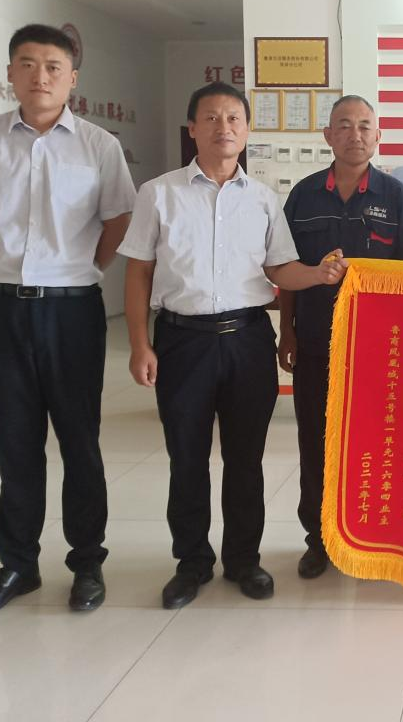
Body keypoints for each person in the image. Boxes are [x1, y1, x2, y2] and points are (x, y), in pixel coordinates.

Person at [118, 82, 347, 609]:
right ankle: (192, 562)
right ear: (193, 128)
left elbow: (280, 269)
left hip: (247, 340)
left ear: (246, 130)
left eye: (234, 119)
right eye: (212, 118)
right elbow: (138, 272)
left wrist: (317, 274)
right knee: (187, 459)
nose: (224, 127)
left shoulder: (263, 199)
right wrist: (139, 344)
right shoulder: (159, 193)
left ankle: (243, 559)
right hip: (182, 340)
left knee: (246, 460)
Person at [0, 23, 136, 618]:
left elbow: (118, 220)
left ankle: (87, 562)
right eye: (27, 64)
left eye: (53, 66)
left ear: (73, 77)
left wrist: (81, 269)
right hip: (3, 306)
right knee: (16, 439)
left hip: (72, 309)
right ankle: (18, 565)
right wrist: (3, 263)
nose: (40, 76)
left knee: (80, 440)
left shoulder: (98, 145)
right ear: (10, 73)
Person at [280, 95, 403, 579]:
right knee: (315, 441)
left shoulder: (394, 195)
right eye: (344, 125)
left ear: (378, 136)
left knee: (374, 444)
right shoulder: (302, 196)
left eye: (364, 126)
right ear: (328, 135)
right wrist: (286, 332)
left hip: (378, 350)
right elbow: (287, 269)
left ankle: (371, 534)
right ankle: (318, 539)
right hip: (315, 342)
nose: (354, 134)